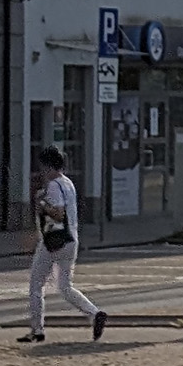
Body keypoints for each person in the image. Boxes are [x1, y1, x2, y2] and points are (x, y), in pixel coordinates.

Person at [21, 145, 108, 344]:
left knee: (36, 284)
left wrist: (42, 204)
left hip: (54, 240)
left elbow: (58, 213)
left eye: (43, 167)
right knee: (65, 286)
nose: (42, 171)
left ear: (48, 166)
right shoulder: (68, 183)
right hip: (71, 239)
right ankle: (94, 313)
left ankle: (37, 329)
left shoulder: (53, 186)